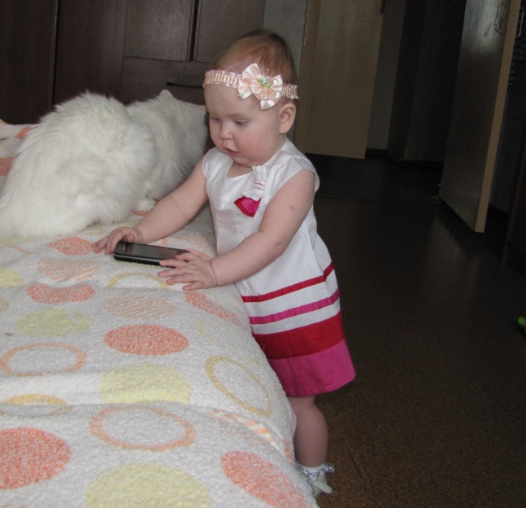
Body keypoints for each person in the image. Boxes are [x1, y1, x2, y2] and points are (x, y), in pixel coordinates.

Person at [94, 29, 355, 497]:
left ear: (284, 117)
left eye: (239, 121)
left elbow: (272, 242)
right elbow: (180, 203)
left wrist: (213, 271)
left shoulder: (294, 175)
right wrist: (141, 232)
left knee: (298, 405)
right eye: (214, 119)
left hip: (296, 310)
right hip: (250, 298)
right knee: (259, 392)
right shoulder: (215, 162)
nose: (224, 133)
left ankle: (313, 475)